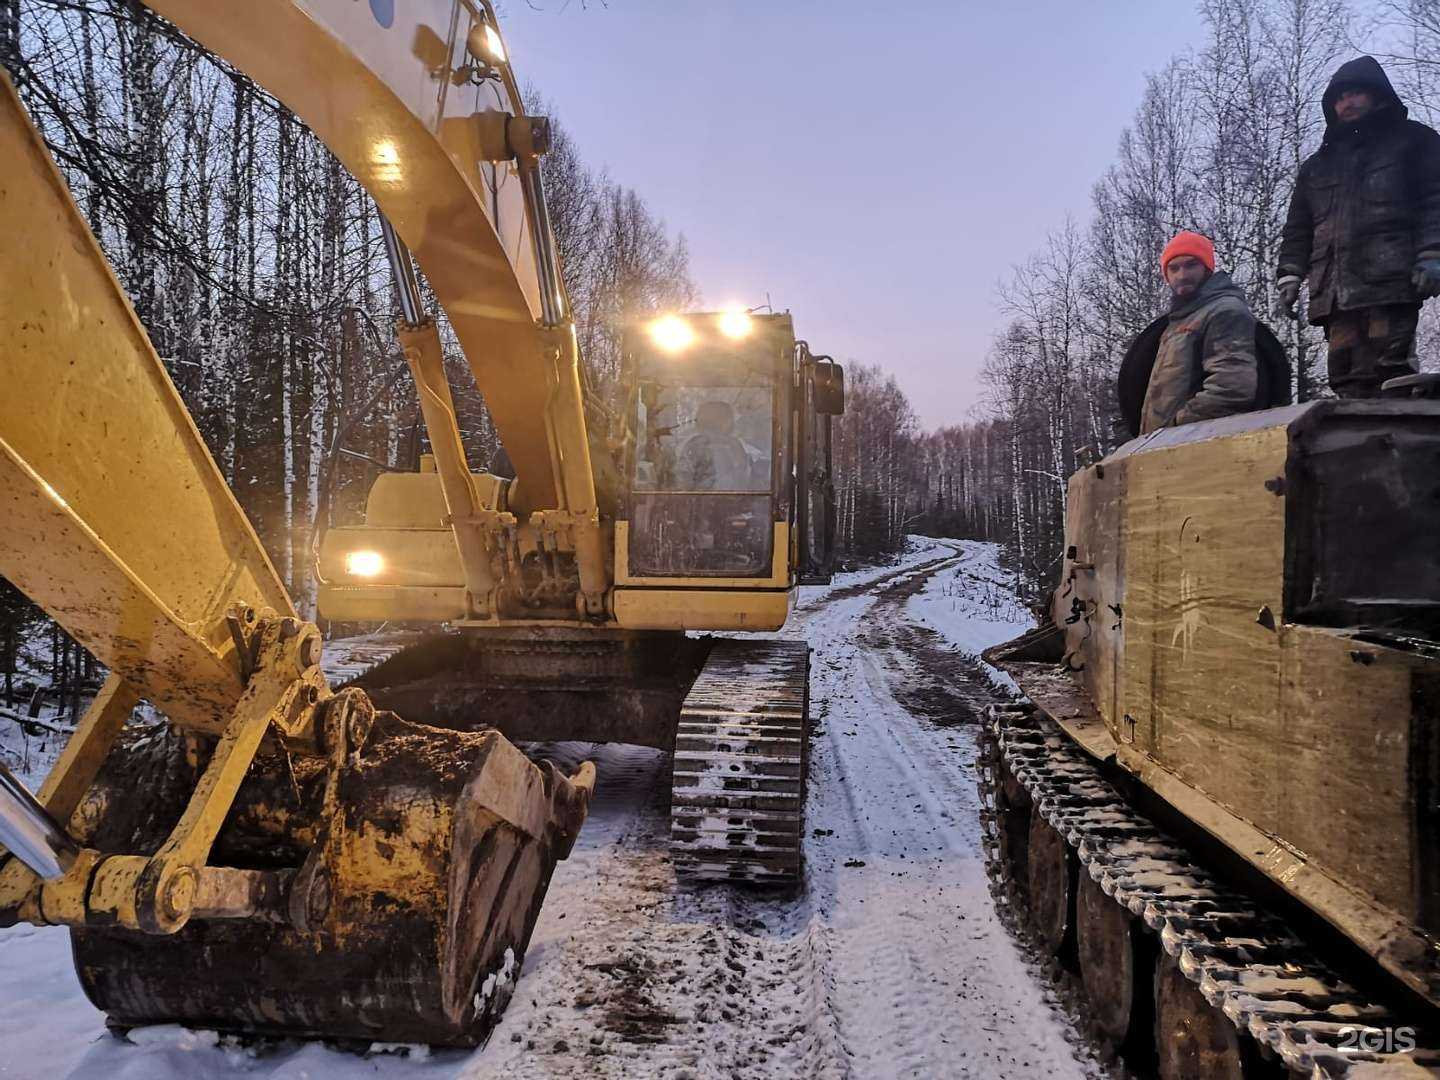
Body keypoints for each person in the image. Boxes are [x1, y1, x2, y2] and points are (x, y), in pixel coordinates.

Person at [1275, 56, 1440, 397]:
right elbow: (1299, 228)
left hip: (1389, 283)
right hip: (1334, 295)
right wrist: (1290, 274)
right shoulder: (1317, 166)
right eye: (1339, 97)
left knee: (1393, 376)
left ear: (1378, 95)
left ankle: (1406, 447)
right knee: (1346, 380)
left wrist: (1432, 253)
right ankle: (1359, 450)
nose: (1346, 102)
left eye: (1354, 93)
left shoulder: (1415, 142)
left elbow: (1435, 200)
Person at [1137, 231, 1260, 434]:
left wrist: (1175, 427)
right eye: (1174, 268)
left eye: (1191, 265)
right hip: (1167, 445)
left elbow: (1232, 387)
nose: (1182, 275)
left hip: (1196, 444)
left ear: (1207, 268)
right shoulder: (1180, 321)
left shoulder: (1225, 311)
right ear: (1166, 274)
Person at [679, 399, 755, 490]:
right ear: (723, 421)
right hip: (733, 500)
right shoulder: (734, 445)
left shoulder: (694, 445)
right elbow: (743, 479)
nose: (733, 422)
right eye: (730, 418)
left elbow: (683, 479)